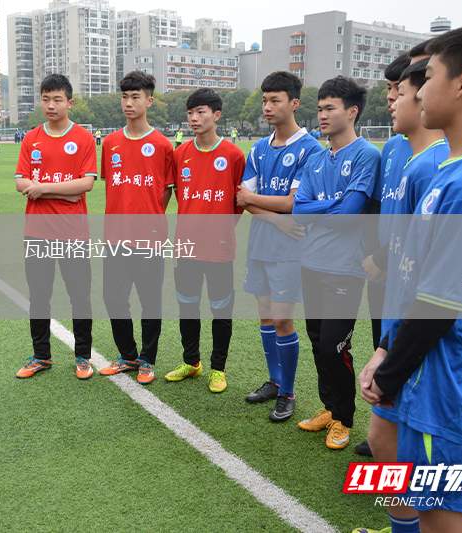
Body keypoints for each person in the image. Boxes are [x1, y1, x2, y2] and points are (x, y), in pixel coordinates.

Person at [360, 23, 462, 533]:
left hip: (449, 382)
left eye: (429, 78)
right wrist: (386, 347)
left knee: (442, 518)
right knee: (422, 504)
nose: (418, 92)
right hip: (430, 373)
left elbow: (441, 303)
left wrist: (389, 374)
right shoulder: (454, 169)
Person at [352, 58, 450, 533]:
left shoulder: (444, 168)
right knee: (385, 438)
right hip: (400, 317)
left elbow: (445, 282)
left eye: (404, 88)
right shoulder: (406, 155)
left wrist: (392, 351)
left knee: (420, 456)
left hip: (428, 338)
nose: (391, 98)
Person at [291, 76, 380, 450]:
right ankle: (330, 408)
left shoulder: (366, 155)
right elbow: (298, 210)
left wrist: (323, 208)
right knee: (317, 341)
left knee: (334, 345)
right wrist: (334, 204)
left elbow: (350, 215)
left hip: (345, 267)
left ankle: (344, 417)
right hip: (311, 262)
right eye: (320, 108)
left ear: (352, 111)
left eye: (330, 108)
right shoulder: (316, 158)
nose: (322, 115)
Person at [237, 72, 323, 421]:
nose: (267, 107)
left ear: (294, 103)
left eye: (275, 100)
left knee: (284, 320)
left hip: (289, 250)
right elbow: (242, 199)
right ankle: (274, 381)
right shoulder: (259, 149)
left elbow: (293, 202)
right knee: (265, 316)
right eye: (264, 100)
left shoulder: (310, 149)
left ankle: (288, 391)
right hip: (261, 243)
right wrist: (276, 219)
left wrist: (262, 204)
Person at [14, 74, 97, 380]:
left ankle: (83, 357)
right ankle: (41, 356)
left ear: (69, 103)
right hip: (36, 233)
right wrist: (64, 190)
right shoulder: (31, 138)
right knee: (39, 296)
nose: (50, 105)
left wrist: (43, 188)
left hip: (73, 233)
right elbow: (21, 182)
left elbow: (85, 184)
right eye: (46, 99)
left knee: (79, 296)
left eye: (57, 99)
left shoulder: (84, 138)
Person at [97, 70, 175, 385]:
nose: (128, 103)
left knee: (150, 301)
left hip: (149, 239)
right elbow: (113, 186)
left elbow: (166, 190)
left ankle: (147, 360)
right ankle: (127, 355)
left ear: (149, 101)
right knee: (113, 298)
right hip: (115, 238)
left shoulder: (162, 145)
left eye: (135, 97)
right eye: (125, 97)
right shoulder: (110, 143)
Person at [165, 88, 245, 394]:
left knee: (221, 310)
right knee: (187, 306)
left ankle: (218, 369)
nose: (194, 118)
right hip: (186, 246)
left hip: (219, 248)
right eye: (190, 113)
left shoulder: (233, 155)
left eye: (201, 112)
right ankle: (191, 362)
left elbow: (238, 204)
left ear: (216, 115)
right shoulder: (180, 154)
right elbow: (180, 196)